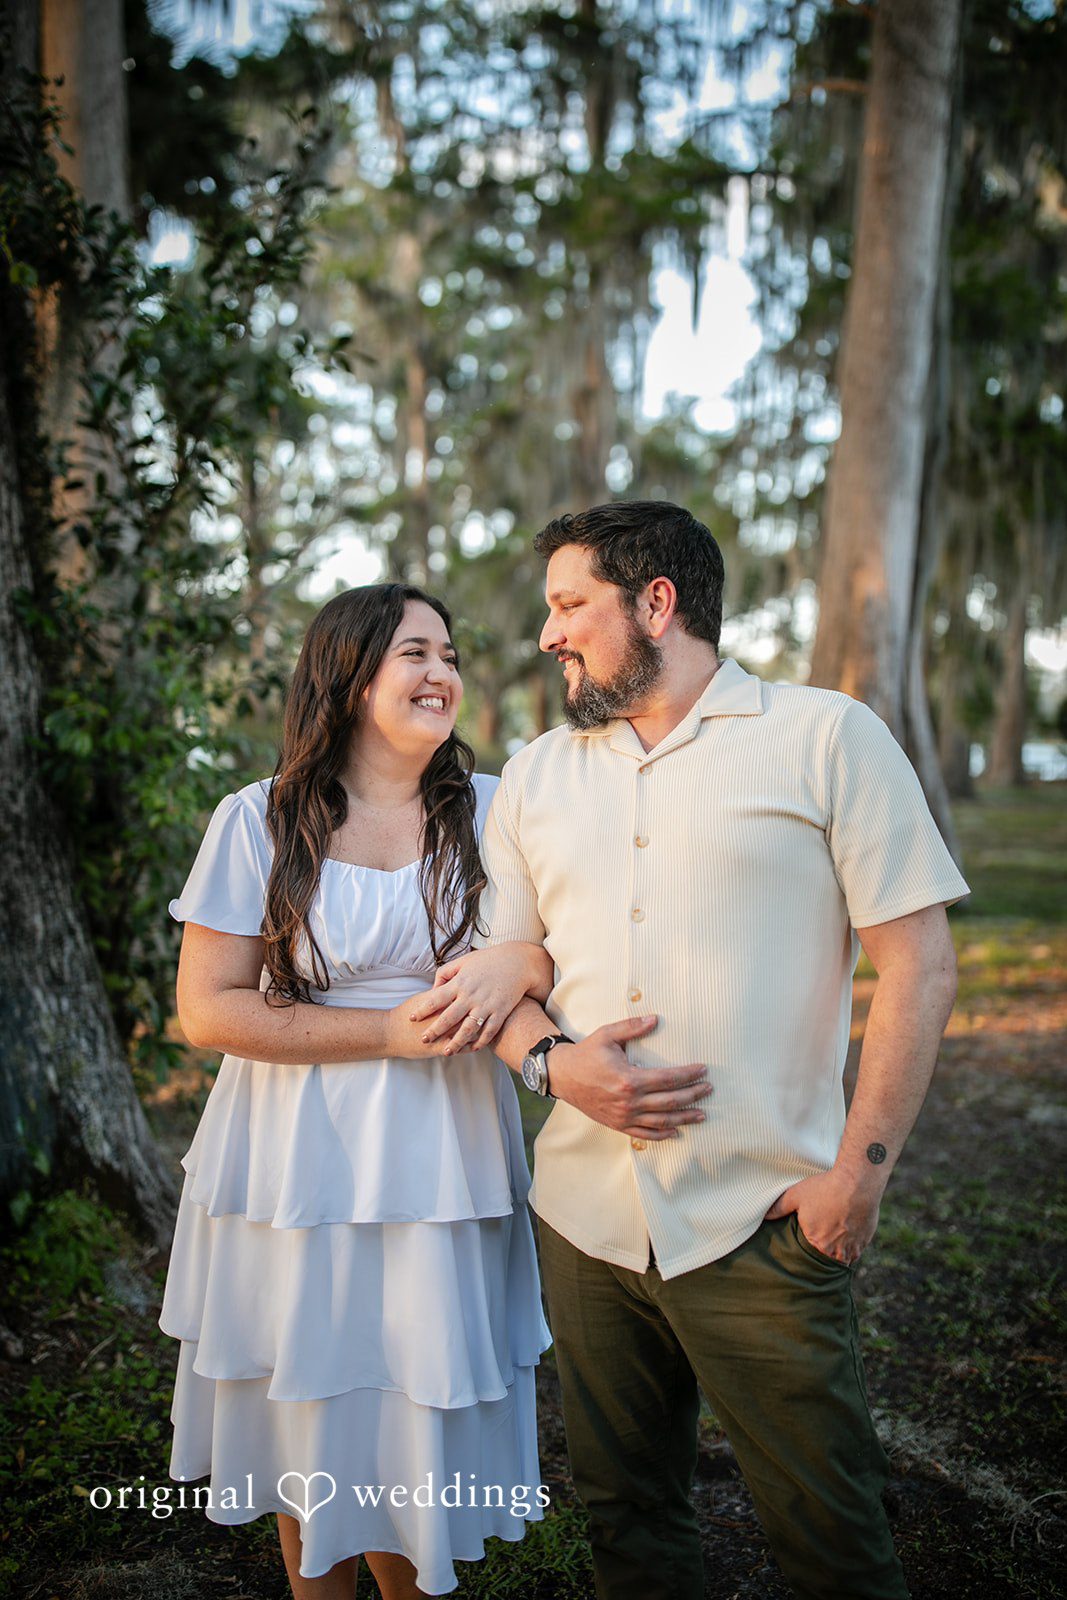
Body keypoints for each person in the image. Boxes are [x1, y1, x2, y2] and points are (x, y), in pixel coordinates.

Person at [416, 502, 970, 1600]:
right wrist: (546, 1063)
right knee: (630, 1530)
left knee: (831, 1540)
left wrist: (855, 1180)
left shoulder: (824, 736)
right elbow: (509, 958)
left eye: (570, 605)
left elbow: (920, 965)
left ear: (655, 604)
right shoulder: (536, 774)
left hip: (764, 1224)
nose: (547, 634)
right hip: (581, 1226)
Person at [159, 582, 553, 1600]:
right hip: (295, 1149)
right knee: (313, 1394)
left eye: (451, 656)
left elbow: (553, 954)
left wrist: (525, 984)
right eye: (414, 654)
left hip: (445, 1149)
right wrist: (383, 1030)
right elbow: (207, 1009)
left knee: (416, 1406)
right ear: (347, 675)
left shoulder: (500, 811)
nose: (442, 675)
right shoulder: (257, 818)